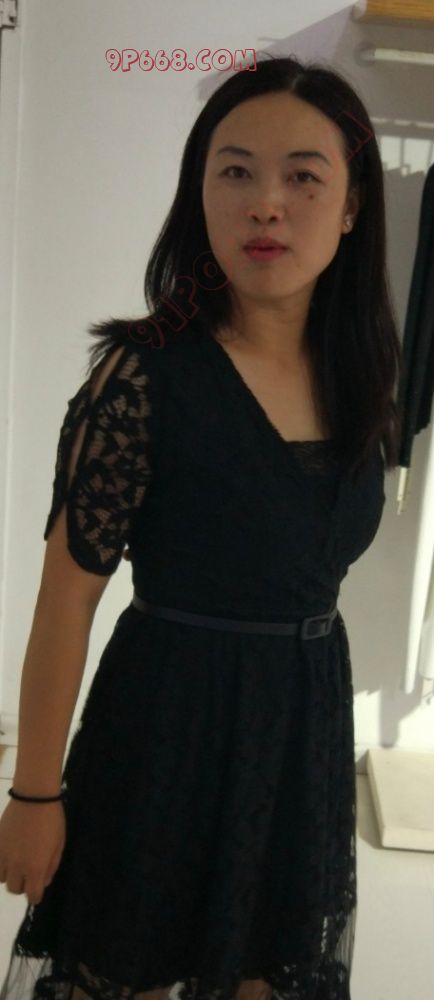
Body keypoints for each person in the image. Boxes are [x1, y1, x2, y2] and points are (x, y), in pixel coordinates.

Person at [0, 53, 402, 1000]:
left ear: (351, 206)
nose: (268, 205)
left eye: (304, 176)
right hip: (165, 733)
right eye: (236, 172)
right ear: (200, 195)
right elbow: (66, 603)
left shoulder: (361, 376)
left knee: (269, 974)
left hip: (301, 735)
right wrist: (35, 793)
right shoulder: (143, 377)